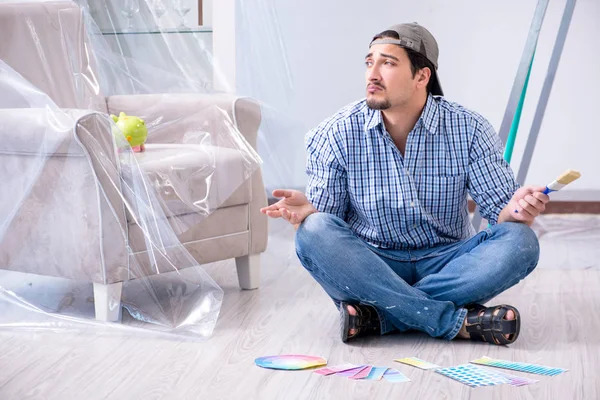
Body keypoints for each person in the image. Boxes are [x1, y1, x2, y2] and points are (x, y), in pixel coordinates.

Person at [260, 22, 548, 345]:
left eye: (388, 63)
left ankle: (381, 317)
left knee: (521, 242)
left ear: (422, 77)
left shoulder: (470, 130)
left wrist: (518, 209)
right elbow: (332, 230)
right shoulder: (335, 133)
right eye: (370, 62)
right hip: (373, 263)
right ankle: (451, 320)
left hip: (449, 263)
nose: (373, 74)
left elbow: (502, 217)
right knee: (312, 232)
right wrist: (311, 212)